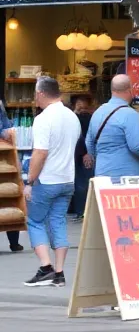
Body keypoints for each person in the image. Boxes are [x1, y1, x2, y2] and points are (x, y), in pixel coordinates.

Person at [23, 77, 81, 287]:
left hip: (47, 179)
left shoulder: (43, 119)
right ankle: (59, 272)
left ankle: (46, 267)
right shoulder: (71, 116)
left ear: (40, 93)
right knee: (57, 221)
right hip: (67, 179)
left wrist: (30, 180)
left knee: (34, 221)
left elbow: (40, 153)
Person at [86, 75, 139, 180]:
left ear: (112, 90)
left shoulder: (98, 112)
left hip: (101, 175)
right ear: (129, 90)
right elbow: (136, 147)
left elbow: (89, 142)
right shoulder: (130, 114)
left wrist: (95, 158)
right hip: (126, 177)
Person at [0, 98, 24, 253]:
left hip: (3, 155)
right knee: (8, 199)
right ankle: (14, 242)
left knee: (8, 197)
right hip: (3, 155)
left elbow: (6, 127)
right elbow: (6, 127)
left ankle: (14, 242)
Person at [69, 94, 94, 220]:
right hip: (81, 154)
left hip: (80, 154)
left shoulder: (83, 118)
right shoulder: (81, 118)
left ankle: (81, 211)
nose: (81, 107)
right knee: (81, 183)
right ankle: (81, 211)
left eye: (83, 104)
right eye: (79, 104)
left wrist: (86, 153)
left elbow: (84, 137)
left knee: (81, 183)